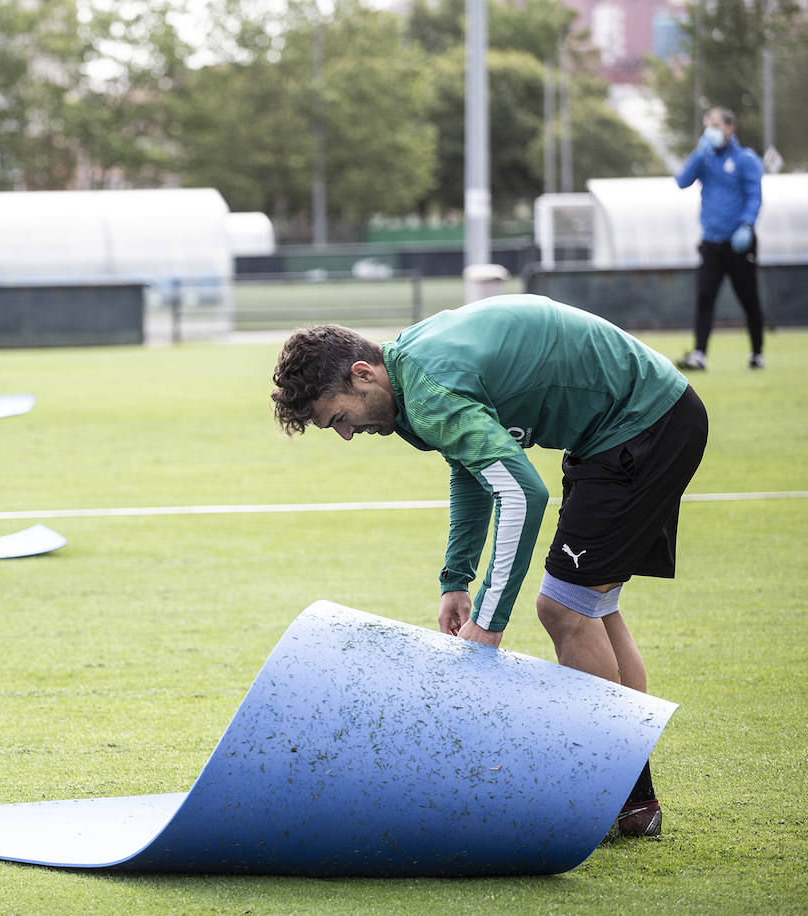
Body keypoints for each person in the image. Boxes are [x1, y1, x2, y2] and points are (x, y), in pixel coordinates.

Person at [270, 295, 708, 837]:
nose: (345, 433)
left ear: (363, 374)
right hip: (627, 426)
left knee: (563, 610)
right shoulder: (411, 374)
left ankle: (612, 794)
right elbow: (472, 469)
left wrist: (488, 626)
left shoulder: (428, 388)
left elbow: (523, 493)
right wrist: (456, 580)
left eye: (338, 417)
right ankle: (633, 801)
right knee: (593, 606)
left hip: (641, 425)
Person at [674, 106, 765, 371]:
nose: (711, 131)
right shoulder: (705, 158)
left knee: (748, 298)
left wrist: (747, 225)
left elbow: (754, 195)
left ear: (730, 127)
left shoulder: (746, 159)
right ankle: (700, 354)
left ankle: (757, 353)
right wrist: (698, 153)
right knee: (704, 297)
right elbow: (682, 181)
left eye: (716, 125)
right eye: (707, 126)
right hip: (711, 243)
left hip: (739, 242)